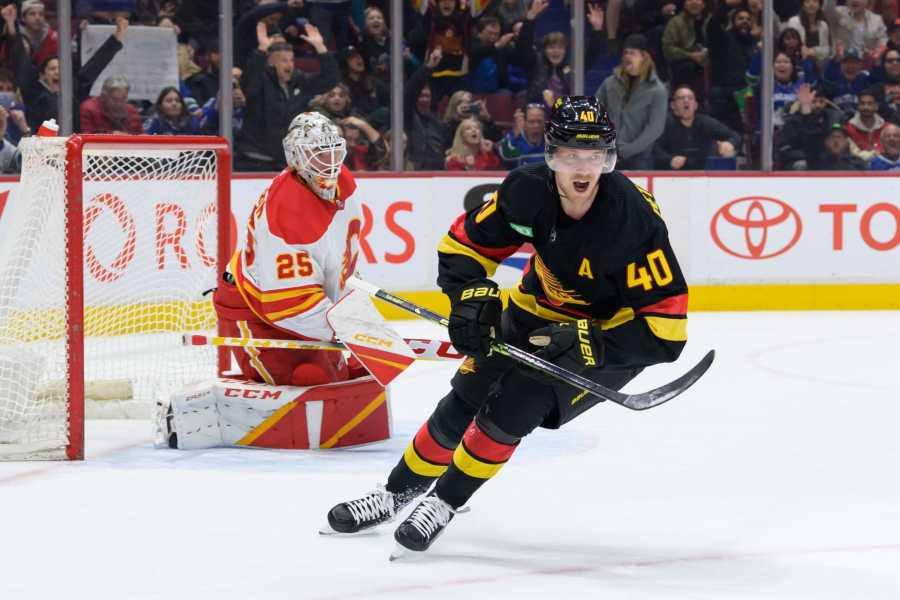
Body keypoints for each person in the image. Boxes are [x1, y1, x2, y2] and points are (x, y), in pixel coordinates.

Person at [323, 96, 689, 554]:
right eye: (572, 154)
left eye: (593, 155)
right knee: (462, 403)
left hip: (606, 338)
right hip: (534, 310)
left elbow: (666, 331)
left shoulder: (633, 221)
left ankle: (444, 501)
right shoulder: (527, 191)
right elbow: (462, 248)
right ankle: (396, 493)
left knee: (512, 408)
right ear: (553, 154)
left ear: (608, 158)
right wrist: (470, 297)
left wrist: (586, 341)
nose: (583, 168)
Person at [213, 112, 364, 387]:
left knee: (350, 375)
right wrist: (347, 330)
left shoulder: (344, 183)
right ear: (296, 156)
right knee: (311, 378)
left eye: (333, 153)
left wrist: (354, 315)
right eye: (318, 154)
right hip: (253, 310)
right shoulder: (287, 210)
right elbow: (287, 307)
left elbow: (340, 265)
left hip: (301, 304)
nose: (330, 164)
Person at [595, 33, 668, 170]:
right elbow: (594, 113)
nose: (627, 57)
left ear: (644, 57)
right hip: (607, 154)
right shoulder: (609, 84)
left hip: (640, 158)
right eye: (625, 53)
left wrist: (627, 150)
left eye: (632, 53)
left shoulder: (657, 90)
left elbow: (655, 129)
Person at [653, 85, 740, 169]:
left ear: (695, 105)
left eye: (690, 98)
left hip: (703, 174)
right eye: (680, 98)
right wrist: (669, 160)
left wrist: (730, 143)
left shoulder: (705, 122)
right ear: (673, 105)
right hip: (671, 176)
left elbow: (735, 135)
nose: (686, 100)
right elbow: (653, 148)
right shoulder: (665, 123)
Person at [845, 89, 886, 161]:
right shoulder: (848, 129)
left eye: (870, 103)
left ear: (876, 106)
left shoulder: (887, 128)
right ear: (858, 105)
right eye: (862, 103)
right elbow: (855, 156)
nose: (865, 107)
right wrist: (875, 153)